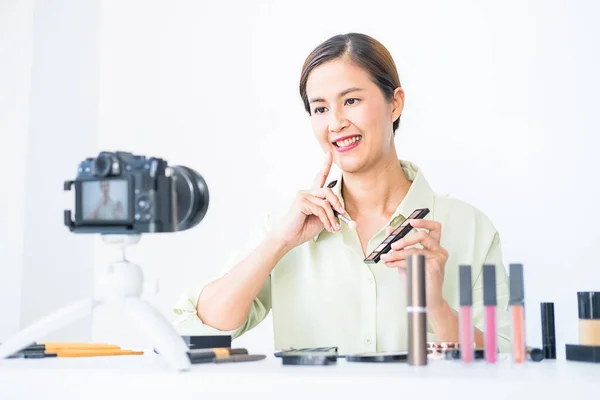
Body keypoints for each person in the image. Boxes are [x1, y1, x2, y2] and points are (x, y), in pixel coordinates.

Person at [173, 33, 511, 355]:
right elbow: (198, 331)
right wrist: (279, 244)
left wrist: (437, 308)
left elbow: (507, 358)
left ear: (395, 104)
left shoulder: (470, 228)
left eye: (351, 101)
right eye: (320, 109)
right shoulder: (285, 226)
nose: (335, 123)